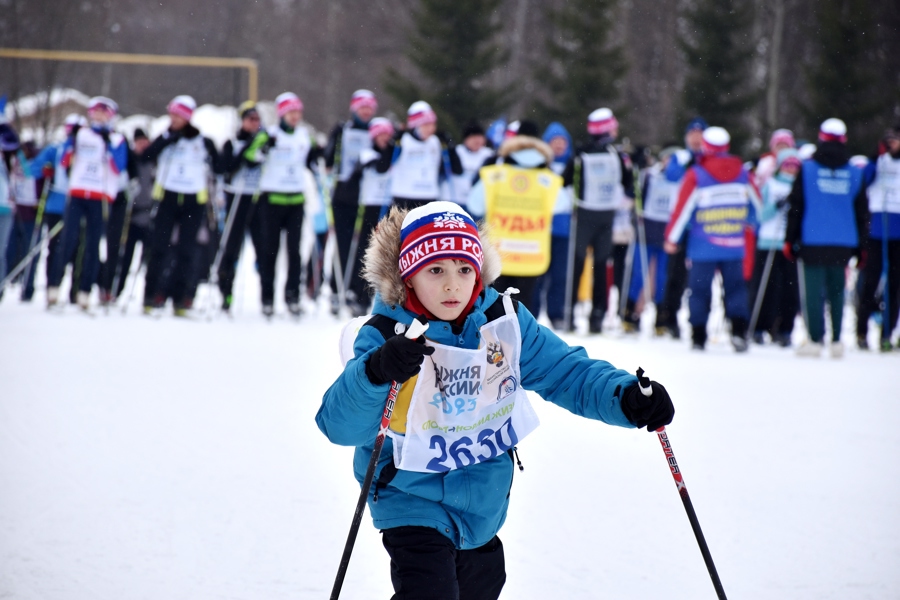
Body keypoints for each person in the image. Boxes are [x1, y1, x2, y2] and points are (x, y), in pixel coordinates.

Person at [316, 201, 674, 600]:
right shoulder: (385, 334)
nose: (453, 285)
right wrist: (376, 372)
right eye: (436, 270)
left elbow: (565, 371)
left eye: (464, 269)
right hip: (410, 493)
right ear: (408, 277)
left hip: (483, 499)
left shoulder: (502, 322)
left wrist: (624, 396)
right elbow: (339, 425)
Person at [665, 126, 761, 352]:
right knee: (736, 289)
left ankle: (698, 335)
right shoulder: (743, 173)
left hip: (703, 245)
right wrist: (750, 221)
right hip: (734, 245)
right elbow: (757, 205)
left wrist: (672, 237)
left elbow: (682, 209)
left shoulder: (697, 174)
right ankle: (738, 332)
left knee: (699, 290)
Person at [784, 118, 868, 358]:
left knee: (813, 293)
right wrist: (863, 246)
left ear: (820, 138)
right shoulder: (854, 172)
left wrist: (790, 238)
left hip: (813, 239)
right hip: (843, 241)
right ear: (845, 140)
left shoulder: (808, 168)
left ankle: (814, 340)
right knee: (838, 292)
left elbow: (796, 207)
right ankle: (837, 341)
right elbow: (862, 212)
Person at [467, 121, 564, 315]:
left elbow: (474, 204)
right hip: (532, 255)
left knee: (495, 309)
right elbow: (562, 204)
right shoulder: (549, 179)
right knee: (525, 311)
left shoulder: (495, 173)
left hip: (499, 253)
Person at [141, 95, 220, 316]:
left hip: (194, 202)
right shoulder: (166, 137)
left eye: (178, 115)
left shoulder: (203, 142)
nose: (173, 119)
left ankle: (181, 298)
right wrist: (167, 139)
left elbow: (220, 166)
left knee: (187, 251)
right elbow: (146, 156)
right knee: (159, 249)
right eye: (172, 114)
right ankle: (152, 294)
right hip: (167, 199)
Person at [243, 91, 319, 317]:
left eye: (297, 112)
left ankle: (293, 296)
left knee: (294, 251)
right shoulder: (269, 134)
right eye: (290, 112)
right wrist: (263, 150)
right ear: (282, 114)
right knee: (270, 251)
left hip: (296, 199)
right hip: (271, 200)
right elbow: (249, 156)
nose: (294, 117)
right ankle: (267, 298)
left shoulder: (304, 136)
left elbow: (313, 156)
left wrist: (317, 159)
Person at [47, 96, 128, 311]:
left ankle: (84, 292)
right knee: (67, 240)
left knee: (93, 245)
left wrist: (108, 144)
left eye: (104, 112)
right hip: (78, 193)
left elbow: (119, 167)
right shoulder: (81, 134)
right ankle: (53, 289)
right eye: (96, 112)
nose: (100, 116)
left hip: (101, 197)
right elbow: (64, 161)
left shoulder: (118, 139)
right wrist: (71, 142)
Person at [562, 108, 634, 333]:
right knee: (598, 266)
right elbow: (630, 186)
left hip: (593, 215)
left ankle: (581, 313)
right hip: (596, 216)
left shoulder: (586, 154)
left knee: (584, 265)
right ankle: (594, 314)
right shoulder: (613, 155)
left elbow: (564, 182)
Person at [324, 89, 378, 314]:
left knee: (365, 246)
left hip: (368, 196)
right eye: (361, 107)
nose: (365, 112)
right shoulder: (343, 130)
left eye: (369, 108)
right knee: (343, 244)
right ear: (354, 109)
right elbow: (328, 157)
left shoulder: (378, 130)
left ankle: (359, 292)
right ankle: (337, 288)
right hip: (343, 194)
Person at [24, 114, 86, 302]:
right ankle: (52, 286)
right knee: (56, 248)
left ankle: (75, 292)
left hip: (81, 204)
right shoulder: (56, 149)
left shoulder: (89, 149)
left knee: (78, 250)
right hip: (56, 205)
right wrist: (45, 171)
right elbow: (33, 168)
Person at [655, 117, 707, 338]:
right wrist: (689, 165)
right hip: (681, 224)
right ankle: (668, 317)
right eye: (692, 135)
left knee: (697, 276)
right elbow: (671, 174)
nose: (696, 139)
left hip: (704, 226)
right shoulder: (681, 157)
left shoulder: (708, 159)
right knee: (674, 274)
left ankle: (697, 319)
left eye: (700, 135)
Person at [622, 147, 680, 332]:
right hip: (646, 233)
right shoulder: (649, 175)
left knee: (662, 278)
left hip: (667, 235)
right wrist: (636, 172)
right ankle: (630, 313)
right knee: (639, 274)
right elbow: (632, 194)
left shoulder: (682, 179)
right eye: (667, 159)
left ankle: (661, 318)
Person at [343, 116, 396, 314]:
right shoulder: (367, 153)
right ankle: (359, 294)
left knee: (387, 253)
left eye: (387, 134)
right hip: (369, 207)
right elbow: (379, 166)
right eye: (380, 135)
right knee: (365, 251)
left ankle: (383, 295)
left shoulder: (394, 152)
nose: (384, 138)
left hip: (388, 207)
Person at [750, 148, 802, 347]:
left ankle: (784, 328)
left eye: (794, 166)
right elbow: (761, 215)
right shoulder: (770, 184)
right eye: (787, 165)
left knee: (789, 289)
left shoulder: (801, 186)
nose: (790, 170)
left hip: (789, 243)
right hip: (769, 241)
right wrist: (776, 206)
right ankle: (760, 326)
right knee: (767, 288)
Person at [855, 125, 900, 351]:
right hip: (877, 230)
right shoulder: (878, 162)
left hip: (897, 231)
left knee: (894, 286)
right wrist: (876, 158)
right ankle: (861, 331)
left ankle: (887, 333)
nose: (892, 143)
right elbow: (865, 182)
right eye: (889, 140)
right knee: (869, 282)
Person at [217, 100, 264, 312]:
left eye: (257, 119)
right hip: (236, 197)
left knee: (264, 250)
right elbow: (226, 168)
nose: (254, 123)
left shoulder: (263, 140)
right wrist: (246, 150)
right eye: (250, 119)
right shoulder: (232, 142)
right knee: (231, 248)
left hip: (256, 198)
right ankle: (225, 293)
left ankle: (267, 298)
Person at [379, 100, 462, 211]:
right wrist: (391, 145)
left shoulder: (436, 142)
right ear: (415, 125)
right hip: (403, 197)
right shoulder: (403, 140)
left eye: (432, 124)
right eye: (426, 124)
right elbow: (381, 168)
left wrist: (451, 148)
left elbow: (457, 170)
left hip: (429, 197)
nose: (431, 128)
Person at [534, 121, 573, 329]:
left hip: (563, 229)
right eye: (554, 141)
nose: (559, 146)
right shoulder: (539, 166)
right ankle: (533, 312)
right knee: (538, 274)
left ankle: (556, 313)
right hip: (540, 229)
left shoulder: (573, 165)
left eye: (563, 142)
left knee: (559, 275)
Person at [444, 120, 494, 208]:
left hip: (477, 203)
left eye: (479, 137)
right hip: (456, 201)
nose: (477, 140)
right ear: (466, 139)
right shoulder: (457, 152)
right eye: (473, 137)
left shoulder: (489, 155)